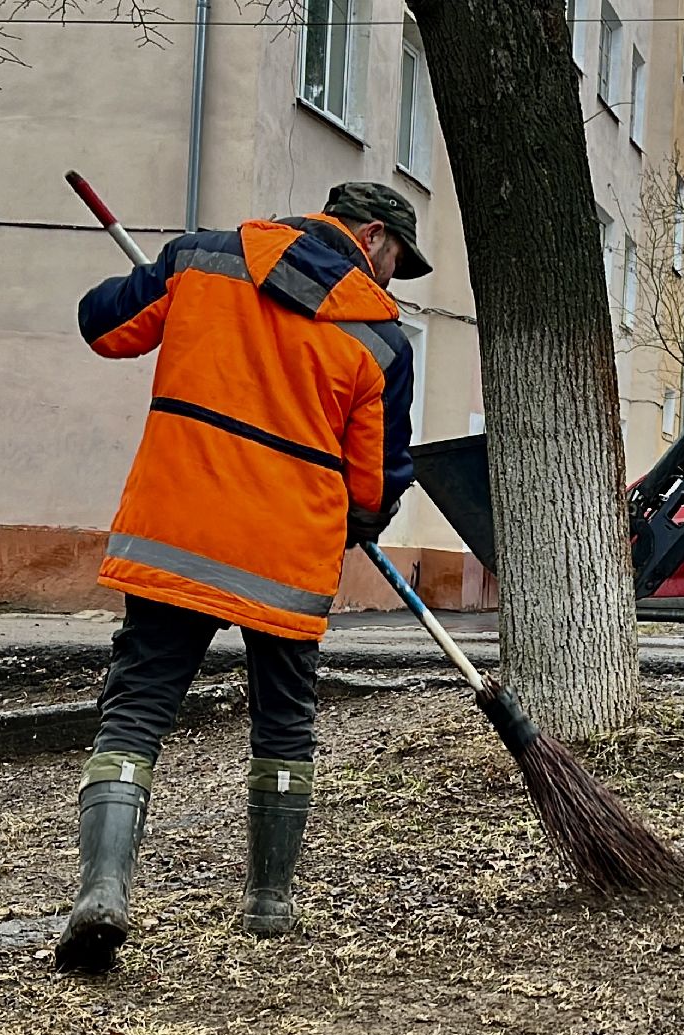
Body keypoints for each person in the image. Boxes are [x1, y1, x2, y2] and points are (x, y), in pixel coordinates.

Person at [54, 183, 428, 973]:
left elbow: (104, 327)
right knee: (285, 721)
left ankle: (104, 890)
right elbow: (371, 488)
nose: (394, 278)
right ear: (370, 237)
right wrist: (366, 518)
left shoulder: (202, 260)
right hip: (287, 561)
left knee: (138, 710)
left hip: (176, 541)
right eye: (397, 258)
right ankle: (268, 906)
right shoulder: (381, 340)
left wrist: (160, 283)